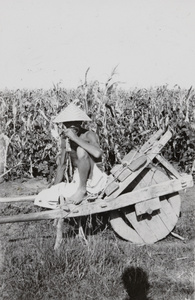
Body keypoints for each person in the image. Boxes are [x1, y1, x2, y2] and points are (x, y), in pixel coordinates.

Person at [34, 103, 108, 209]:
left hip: (94, 179)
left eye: (75, 122)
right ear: (64, 124)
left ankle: (82, 190)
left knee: (81, 150)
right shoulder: (65, 139)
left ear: (81, 122)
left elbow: (97, 153)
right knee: (44, 196)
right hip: (78, 179)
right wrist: (55, 187)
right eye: (68, 123)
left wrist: (75, 138)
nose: (72, 125)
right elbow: (62, 165)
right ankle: (79, 190)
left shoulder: (88, 134)